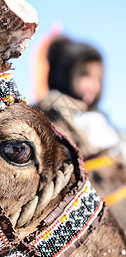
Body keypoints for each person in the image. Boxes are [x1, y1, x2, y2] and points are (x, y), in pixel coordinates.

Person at [36, 35, 126, 232]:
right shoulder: (54, 112)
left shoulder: (98, 117)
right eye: (85, 75)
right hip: (95, 215)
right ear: (66, 74)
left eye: (97, 78)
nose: (92, 85)